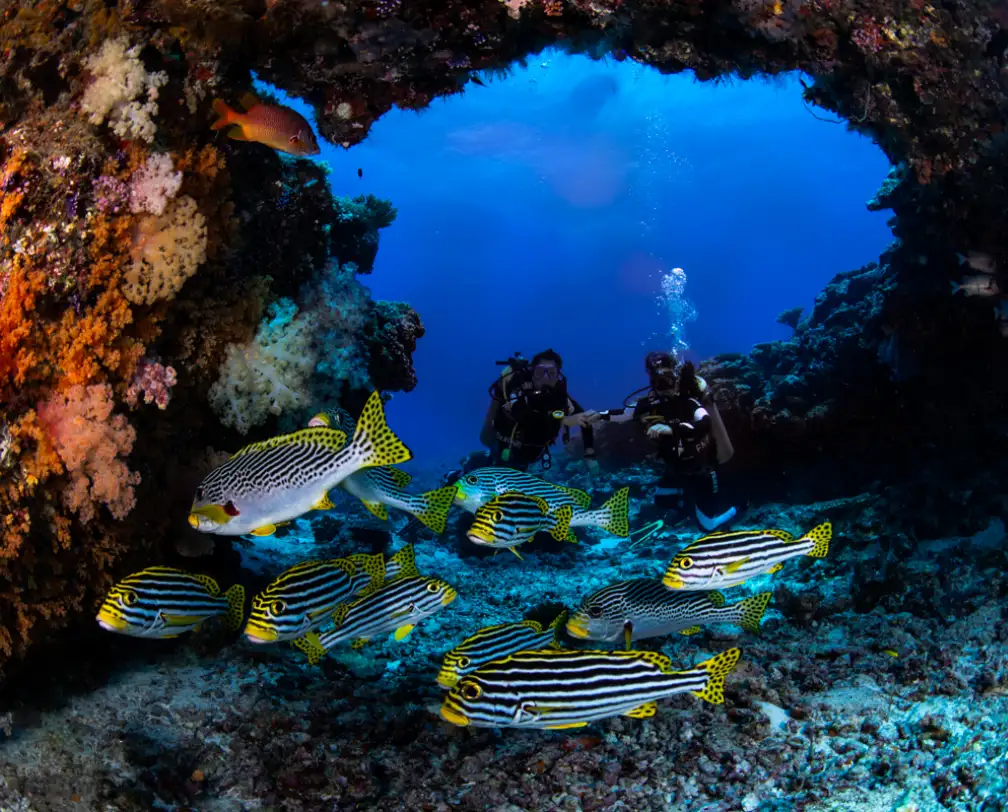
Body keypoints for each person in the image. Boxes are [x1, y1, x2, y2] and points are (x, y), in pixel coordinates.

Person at [606, 351, 737, 532]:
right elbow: (625, 414)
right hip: (677, 467)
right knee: (663, 500)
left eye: (667, 378)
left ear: (675, 376)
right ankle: (688, 507)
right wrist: (595, 416)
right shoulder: (652, 402)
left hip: (702, 468)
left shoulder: (688, 400)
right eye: (656, 379)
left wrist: (674, 428)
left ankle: (738, 508)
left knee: (707, 526)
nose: (663, 386)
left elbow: (705, 423)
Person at [479, 349, 601, 472]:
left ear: (558, 376)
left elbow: (585, 418)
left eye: (551, 373)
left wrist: (589, 453)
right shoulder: (517, 391)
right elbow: (520, 414)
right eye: (540, 372)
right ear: (532, 373)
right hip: (503, 447)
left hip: (532, 456)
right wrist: (564, 420)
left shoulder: (561, 399)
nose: (545, 378)